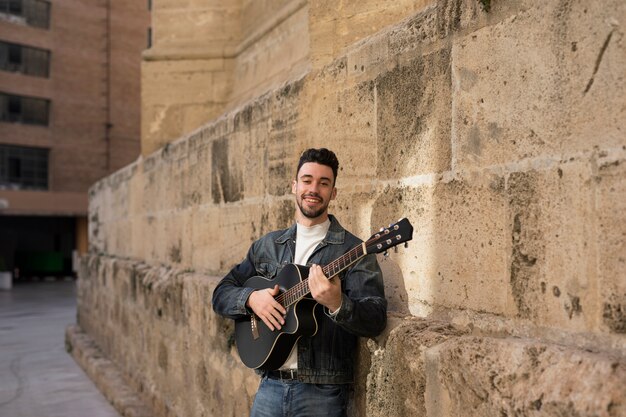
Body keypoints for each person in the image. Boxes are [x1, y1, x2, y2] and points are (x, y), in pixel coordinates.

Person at [212, 148, 387, 417]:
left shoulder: (354, 251)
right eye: (307, 180)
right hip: (269, 386)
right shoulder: (268, 246)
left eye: (324, 183)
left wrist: (338, 304)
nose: (313, 189)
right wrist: (251, 299)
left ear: (334, 192)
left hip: (323, 393)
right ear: (294, 186)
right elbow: (221, 293)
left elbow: (375, 319)